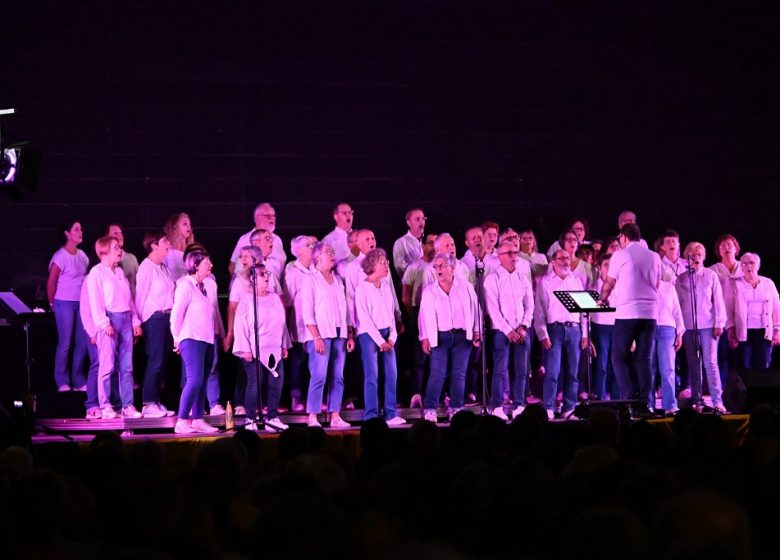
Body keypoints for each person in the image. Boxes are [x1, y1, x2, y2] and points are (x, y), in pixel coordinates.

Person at [599, 223, 662, 417]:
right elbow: (657, 282)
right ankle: (645, 403)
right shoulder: (654, 256)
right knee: (644, 358)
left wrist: (602, 299)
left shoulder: (620, 255)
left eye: (619, 239)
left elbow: (609, 282)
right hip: (650, 313)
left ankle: (629, 398)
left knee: (618, 356)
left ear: (624, 237)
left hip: (628, 312)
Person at [85, 235, 143, 419]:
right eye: (116, 247)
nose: (120, 250)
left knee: (126, 367)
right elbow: (95, 301)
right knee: (107, 365)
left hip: (125, 318)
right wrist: (104, 323)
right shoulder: (97, 273)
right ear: (104, 251)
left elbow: (129, 299)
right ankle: (105, 405)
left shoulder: (119, 272)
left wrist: (135, 321)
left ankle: (127, 405)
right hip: (109, 319)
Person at [418, 253, 480, 423]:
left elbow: (475, 309)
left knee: (459, 374)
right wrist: (424, 337)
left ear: (452, 268)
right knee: (437, 373)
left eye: (442, 266)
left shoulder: (465, 286)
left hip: (462, 337)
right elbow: (423, 316)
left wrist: (476, 331)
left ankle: (456, 408)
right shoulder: (430, 291)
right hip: (440, 337)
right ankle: (430, 409)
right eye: (436, 266)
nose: (438, 269)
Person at [301, 242, 354, 429]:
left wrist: (349, 334)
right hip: (320, 334)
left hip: (339, 334)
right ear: (317, 257)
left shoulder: (338, 280)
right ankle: (313, 415)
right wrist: (316, 337)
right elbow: (307, 312)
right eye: (328, 252)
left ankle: (335, 415)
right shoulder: (310, 279)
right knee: (319, 375)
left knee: (338, 376)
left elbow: (345, 309)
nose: (332, 254)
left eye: (333, 251)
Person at [233, 263, 290, 432]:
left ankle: (272, 417)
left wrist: (284, 344)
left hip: (274, 347)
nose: (267, 276)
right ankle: (250, 418)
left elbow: (282, 322)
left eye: (267, 273)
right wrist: (245, 349)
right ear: (253, 278)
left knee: (276, 383)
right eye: (262, 274)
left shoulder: (274, 297)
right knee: (255, 383)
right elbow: (240, 325)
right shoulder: (246, 299)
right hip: (254, 348)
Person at [170, 248, 220, 434]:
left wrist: (218, 335)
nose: (211, 265)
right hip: (190, 339)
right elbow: (176, 315)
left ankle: (197, 419)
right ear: (196, 265)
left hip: (206, 340)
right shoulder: (185, 285)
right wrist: (176, 338)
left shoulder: (205, 287)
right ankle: (182, 420)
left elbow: (211, 315)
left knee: (203, 380)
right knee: (195, 380)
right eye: (207, 262)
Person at [535, 249, 589, 420]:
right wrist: (543, 333)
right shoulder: (546, 282)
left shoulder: (576, 281)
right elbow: (540, 311)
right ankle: (549, 406)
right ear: (553, 261)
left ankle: (569, 408)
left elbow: (584, 310)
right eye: (562, 258)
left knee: (573, 372)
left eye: (568, 258)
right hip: (554, 330)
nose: (566, 261)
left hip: (574, 330)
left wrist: (585, 333)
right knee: (553, 371)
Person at [675, 241, 727, 413]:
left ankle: (717, 400)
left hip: (708, 325)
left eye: (698, 255)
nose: (695, 258)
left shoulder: (711, 275)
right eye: (692, 255)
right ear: (686, 258)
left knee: (710, 362)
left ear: (703, 257)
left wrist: (719, 323)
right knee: (693, 364)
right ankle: (697, 400)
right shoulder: (681, 279)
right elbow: (678, 305)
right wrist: (679, 328)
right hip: (689, 326)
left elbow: (718, 301)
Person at [484, 240, 534, 421]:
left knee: (521, 370)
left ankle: (518, 404)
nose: (514, 257)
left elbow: (530, 304)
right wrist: (508, 330)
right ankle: (497, 406)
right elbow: (492, 309)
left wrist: (523, 326)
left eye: (515, 253)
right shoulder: (492, 279)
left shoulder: (523, 278)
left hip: (521, 330)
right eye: (510, 254)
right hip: (501, 332)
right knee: (500, 369)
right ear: (500, 258)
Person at [355, 249, 405, 425]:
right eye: (383, 263)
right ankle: (371, 415)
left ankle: (391, 413)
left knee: (392, 372)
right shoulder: (362, 288)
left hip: (386, 334)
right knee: (372, 374)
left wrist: (392, 336)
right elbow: (364, 318)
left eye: (387, 262)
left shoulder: (385, 286)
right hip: (369, 335)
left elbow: (390, 314)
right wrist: (379, 340)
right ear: (372, 265)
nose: (387, 266)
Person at [134, 230, 176, 418]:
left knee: (163, 361)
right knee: (155, 360)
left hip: (167, 317)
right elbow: (140, 296)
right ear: (154, 245)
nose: (168, 243)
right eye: (164, 241)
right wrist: (137, 322)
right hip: (154, 318)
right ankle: (148, 402)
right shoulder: (147, 267)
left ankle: (156, 401)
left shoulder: (164, 267)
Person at [47, 220, 90, 392]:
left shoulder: (82, 255)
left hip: (82, 303)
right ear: (67, 233)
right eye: (76, 229)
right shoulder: (60, 256)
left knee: (82, 342)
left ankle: (78, 379)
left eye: (81, 229)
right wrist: (52, 303)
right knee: (65, 343)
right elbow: (51, 282)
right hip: (63, 302)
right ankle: (62, 381)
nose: (81, 232)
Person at [725, 253, 780, 370]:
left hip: (764, 331)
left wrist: (777, 329)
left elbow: (776, 308)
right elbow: (728, 310)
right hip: (743, 332)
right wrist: (730, 331)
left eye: (752, 263)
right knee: (744, 366)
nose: (749, 266)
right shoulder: (734, 284)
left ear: (758, 266)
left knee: (764, 365)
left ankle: (762, 389)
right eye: (744, 264)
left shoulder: (768, 283)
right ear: (741, 267)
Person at [401, 232, 437, 408]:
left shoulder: (443, 266)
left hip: (440, 314)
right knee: (419, 356)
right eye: (430, 243)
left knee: (437, 356)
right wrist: (414, 313)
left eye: (436, 243)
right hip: (419, 312)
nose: (434, 247)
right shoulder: (414, 267)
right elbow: (406, 296)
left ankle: (437, 393)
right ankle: (416, 393)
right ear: (423, 245)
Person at [283, 235, 318, 412]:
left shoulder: (316, 271)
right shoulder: (293, 273)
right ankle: (296, 398)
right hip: (298, 327)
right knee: (298, 363)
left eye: (313, 244)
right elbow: (287, 304)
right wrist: (286, 331)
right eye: (308, 245)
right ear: (298, 251)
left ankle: (314, 399)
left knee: (314, 364)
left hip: (316, 329)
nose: (312, 247)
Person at [710, 234, 743, 387]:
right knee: (721, 357)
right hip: (721, 320)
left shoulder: (745, 267)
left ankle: (741, 390)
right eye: (722, 246)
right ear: (718, 251)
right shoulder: (713, 271)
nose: (726, 248)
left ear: (736, 248)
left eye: (730, 244)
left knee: (741, 358)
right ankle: (722, 390)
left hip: (742, 320)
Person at [228, 202, 286, 277]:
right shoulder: (246, 239)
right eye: (268, 215)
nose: (272, 218)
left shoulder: (277, 239)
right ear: (257, 218)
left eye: (274, 215)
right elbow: (232, 267)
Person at [591, 254, 616, 400]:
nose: (609, 268)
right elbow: (585, 315)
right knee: (601, 366)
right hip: (600, 328)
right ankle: (600, 399)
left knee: (617, 365)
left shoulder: (620, 286)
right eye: (606, 265)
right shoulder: (593, 287)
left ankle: (617, 400)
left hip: (618, 327)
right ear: (600, 268)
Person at [106, 224, 140, 297]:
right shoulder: (103, 261)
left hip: (132, 305)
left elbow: (140, 283)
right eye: (115, 233)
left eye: (120, 233)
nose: (120, 236)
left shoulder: (131, 258)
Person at [322, 202, 355, 275]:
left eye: (350, 212)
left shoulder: (360, 236)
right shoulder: (328, 240)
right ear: (335, 217)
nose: (348, 215)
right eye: (344, 213)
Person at [392, 207, 426, 278]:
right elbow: (400, 268)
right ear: (409, 223)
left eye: (423, 219)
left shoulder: (428, 240)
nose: (421, 222)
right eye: (417, 219)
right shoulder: (400, 242)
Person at [163, 213, 194, 282]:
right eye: (185, 224)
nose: (189, 227)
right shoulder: (167, 251)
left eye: (189, 224)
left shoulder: (193, 250)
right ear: (175, 227)